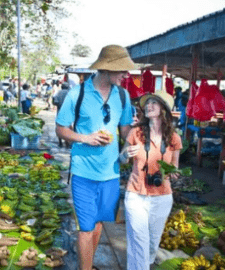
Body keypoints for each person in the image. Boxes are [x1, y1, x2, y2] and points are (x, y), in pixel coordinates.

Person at [55, 44, 135, 270]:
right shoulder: (77, 94)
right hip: (83, 171)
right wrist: (85, 138)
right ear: (107, 69)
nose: (125, 74)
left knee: (99, 225)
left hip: (110, 173)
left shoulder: (123, 95)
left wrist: (128, 146)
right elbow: (60, 129)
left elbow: (125, 128)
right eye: (121, 70)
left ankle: (87, 264)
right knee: (86, 228)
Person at [119, 91, 182, 270]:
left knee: (152, 243)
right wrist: (125, 155)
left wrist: (174, 173)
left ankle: (144, 264)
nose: (148, 106)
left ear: (164, 110)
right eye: (147, 103)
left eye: (154, 103)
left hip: (162, 197)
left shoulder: (174, 138)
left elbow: (175, 167)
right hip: (135, 194)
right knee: (139, 240)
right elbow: (121, 158)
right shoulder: (135, 133)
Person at [53, 82, 71, 147]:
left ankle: (60, 142)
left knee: (59, 127)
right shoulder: (71, 93)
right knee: (68, 127)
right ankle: (67, 143)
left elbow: (55, 102)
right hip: (69, 113)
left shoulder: (58, 93)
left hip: (60, 112)